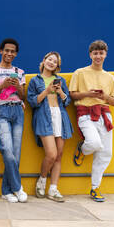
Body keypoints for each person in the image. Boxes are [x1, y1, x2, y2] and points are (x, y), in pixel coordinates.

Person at [69, 40, 114, 202]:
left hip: (105, 115)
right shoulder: (80, 73)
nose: (98, 56)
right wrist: (88, 94)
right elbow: (72, 95)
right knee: (95, 143)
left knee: (106, 153)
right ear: (90, 55)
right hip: (85, 113)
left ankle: (95, 187)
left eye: (101, 53)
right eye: (95, 53)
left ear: (105, 55)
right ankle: (83, 149)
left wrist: (104, 96)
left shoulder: (110, 77)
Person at [0, 38, 28, 203]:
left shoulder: (20, 71)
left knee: (15, 153)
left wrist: (17, 86)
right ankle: (17, 187)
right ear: (1, 51)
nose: (9, 53)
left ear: (16, 54)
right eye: (7, 50)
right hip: (2, 110)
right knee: (7, 149)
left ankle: (6, 191)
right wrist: (2, 86)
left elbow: (23, 96)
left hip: (18, 110)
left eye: (13, 51)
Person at [27, 52, 73, 202]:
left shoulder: (61, 80)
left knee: (59, 156)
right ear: (44, 60)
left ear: (57, 66)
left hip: (59, 116)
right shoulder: (35, 81)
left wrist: (60, 92)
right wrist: (46, 91)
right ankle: (42, 179)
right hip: (43, 117)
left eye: (55, 61)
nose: (51, 62)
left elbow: (67, 102)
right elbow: (32, 102)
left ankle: (53, 189)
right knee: (51, 154)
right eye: (49, 59)